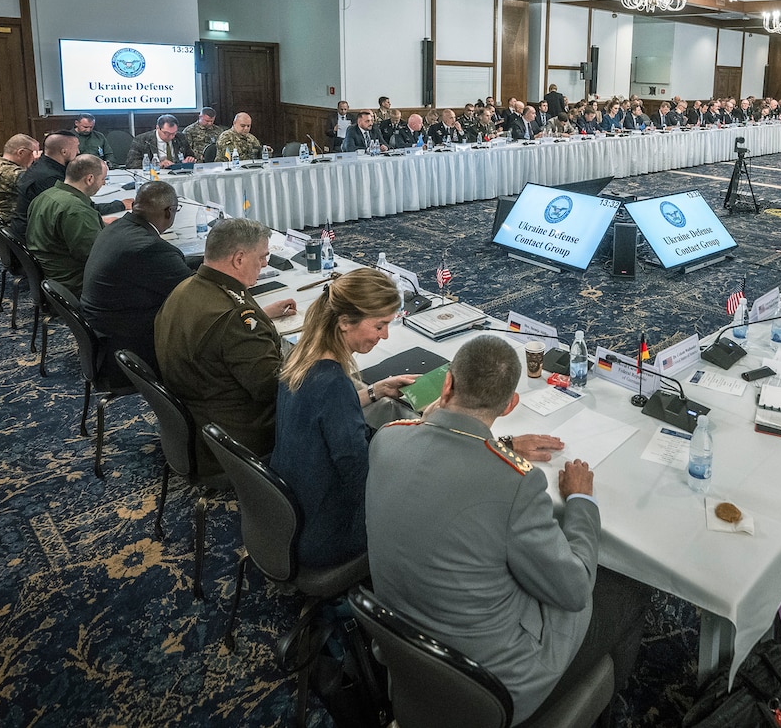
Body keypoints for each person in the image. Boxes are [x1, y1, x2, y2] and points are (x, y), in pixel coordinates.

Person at [367, 335, 649, 725]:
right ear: (510, 404)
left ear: (447, 384)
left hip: (407, 656)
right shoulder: (514, 482)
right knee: (627, 590)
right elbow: (573, 591)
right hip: (493, 686)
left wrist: (497, 443)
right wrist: (582, 502)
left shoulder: (387, 439)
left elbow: (439, 448)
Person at [270, 269, 419, 567]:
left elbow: (322, 412)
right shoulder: (334, 384)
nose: (385, 335)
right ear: (344, 322)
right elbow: (359, 476)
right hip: (326, 535)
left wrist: (374, 391)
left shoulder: (304, 355)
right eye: (380, 325)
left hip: (289, 514)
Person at [154, 218, 297, 472]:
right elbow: (272, 387)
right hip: (236, 436)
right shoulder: (234, 319)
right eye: (262, 257)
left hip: (200, 418)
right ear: (239, 259)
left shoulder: (186, 288)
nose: (265, 264)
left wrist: (262, 315)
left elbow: (216, 334)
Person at [81, 181, 192, 380]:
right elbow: (196, 292)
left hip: (103, 333)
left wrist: (211, 260)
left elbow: (172, 265)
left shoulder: (118, 227)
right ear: (169, 212)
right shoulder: (150, 249)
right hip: (128, 349)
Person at [13, 130, 127, 237]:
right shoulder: (50, 177)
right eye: (76, 147)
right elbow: (76, 208)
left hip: (37, 231)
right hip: (34, 236)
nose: (78, 152)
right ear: (64, 152)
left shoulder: (43, 166)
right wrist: (118, 206)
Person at [26, 154, 108, 297]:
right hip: (74, 282)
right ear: (90, 179)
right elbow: (96, 257)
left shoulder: (46, 195)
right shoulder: (76, 210)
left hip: (51, 274)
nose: (104, 184)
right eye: (103, 179)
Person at [0, 133, 39, 223]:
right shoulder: (11, 173)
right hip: (8, 223)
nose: (35, 157)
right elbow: (39, 189)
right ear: (21, 152)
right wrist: (38, 164)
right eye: (34, 153)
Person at [127, 114, 196, 169]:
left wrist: (189, 159)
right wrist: (157, 165)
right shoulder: (142, 140)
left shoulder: (180, 137)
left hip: (178, 173)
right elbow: (131, 163)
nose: (171, 136)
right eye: (167, 133)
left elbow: (190, 155)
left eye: (174, 133)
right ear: (157, 128)